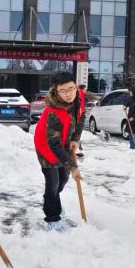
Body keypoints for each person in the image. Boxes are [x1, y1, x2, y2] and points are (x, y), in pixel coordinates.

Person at [33, 71, 85, 232]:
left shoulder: (79, 100)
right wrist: (73, 166)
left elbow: (81, 119)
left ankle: (52, 200)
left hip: (64, 143)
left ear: (76, 87)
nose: (68, 94)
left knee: (63, 178)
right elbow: (53, 144)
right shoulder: (53, 112)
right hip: (46, 145)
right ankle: (52, 218)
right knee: (53, 182)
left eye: (71, 88)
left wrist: (75, 139)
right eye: (63, 90)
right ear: (56, 91)